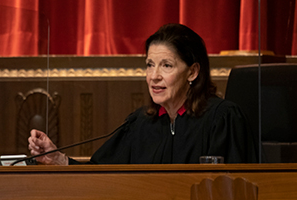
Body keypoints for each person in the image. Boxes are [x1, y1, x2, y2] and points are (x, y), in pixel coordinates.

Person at [28, 23, 258, 165]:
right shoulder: (139, 124)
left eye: (166, 65)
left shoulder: (223, 119)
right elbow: (100, 178)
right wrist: (57, 158)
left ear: (192, 72)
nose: (154, 76)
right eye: (149, 65)